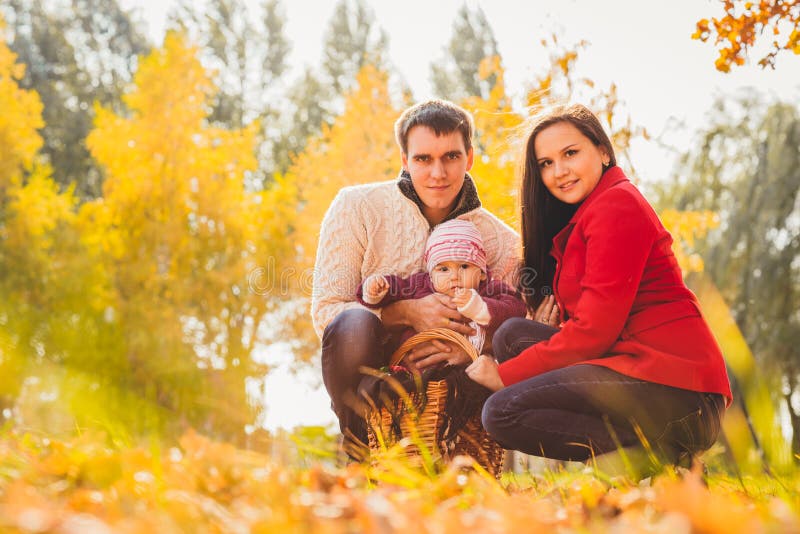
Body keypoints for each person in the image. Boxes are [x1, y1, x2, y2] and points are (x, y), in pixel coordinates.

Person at [465, 104, 732, 476]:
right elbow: (596, 321)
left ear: (603, 152)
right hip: (640, 368)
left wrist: (505, 376)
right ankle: (654, 463)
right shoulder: (589, 214)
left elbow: (594, 332)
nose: (559, 171)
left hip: (679, 389)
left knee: (502, 411)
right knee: (513, 336)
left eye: (570, 153)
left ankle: (659, 467)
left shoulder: (617, 204)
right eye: (545, 163)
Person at [312, 99, 519, 458]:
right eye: (423, 159)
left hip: (455, 379)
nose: (437, 173)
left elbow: (518, 320)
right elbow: (327, 311)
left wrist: (471, 345)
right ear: (405, 160)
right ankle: (363, 449)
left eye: (451, 157)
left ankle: (459, 458)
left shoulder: (501, 240)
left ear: (470, 158)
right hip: (375, 365)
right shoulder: (356, 207)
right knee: (353, 321)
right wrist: (406, 313)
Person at [357, 219, 526, 354]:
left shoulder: (490, 289)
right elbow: (396, 288)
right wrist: (375, 290)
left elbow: (516, 309)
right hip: (417, 366)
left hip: (466, 369)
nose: (454, 276)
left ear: (481, 272)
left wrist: (479, 308)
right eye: (443, 269)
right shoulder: (420, 285)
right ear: (431, 274)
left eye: (464, 266)